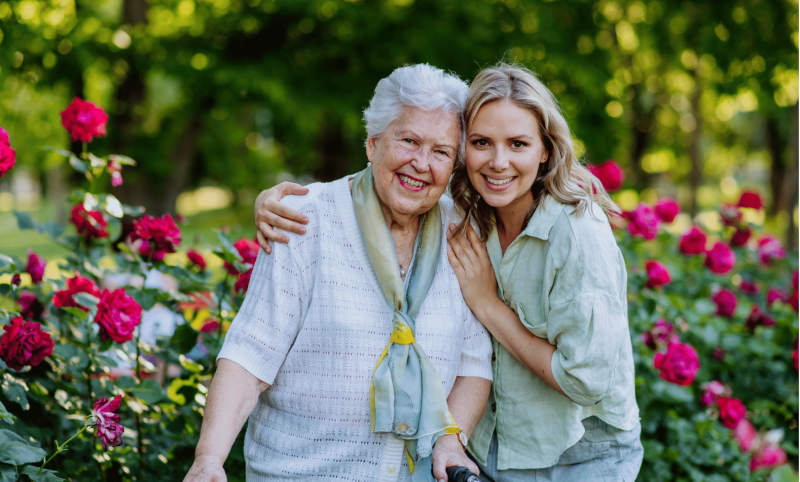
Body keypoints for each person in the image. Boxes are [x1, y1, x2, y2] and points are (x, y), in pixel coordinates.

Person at [253, 62, 643, 481]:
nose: (498, 162)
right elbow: (383, 177)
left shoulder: (577, 234)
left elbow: (585, 381)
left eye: (518, 144)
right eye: (480, 142)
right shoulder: (470, 214)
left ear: (545, 149)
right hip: (491, 447)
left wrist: (487, 305)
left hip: (577, 454)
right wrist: (283, 204)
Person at [183, 64, 493, 482]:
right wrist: (209, 459)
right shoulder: (304, 221)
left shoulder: (462, 232)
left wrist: (451, 440)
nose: (421, 163)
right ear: (372, 143)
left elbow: (474, 361)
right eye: (408, 141)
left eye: (440, 151)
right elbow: (249, 356)